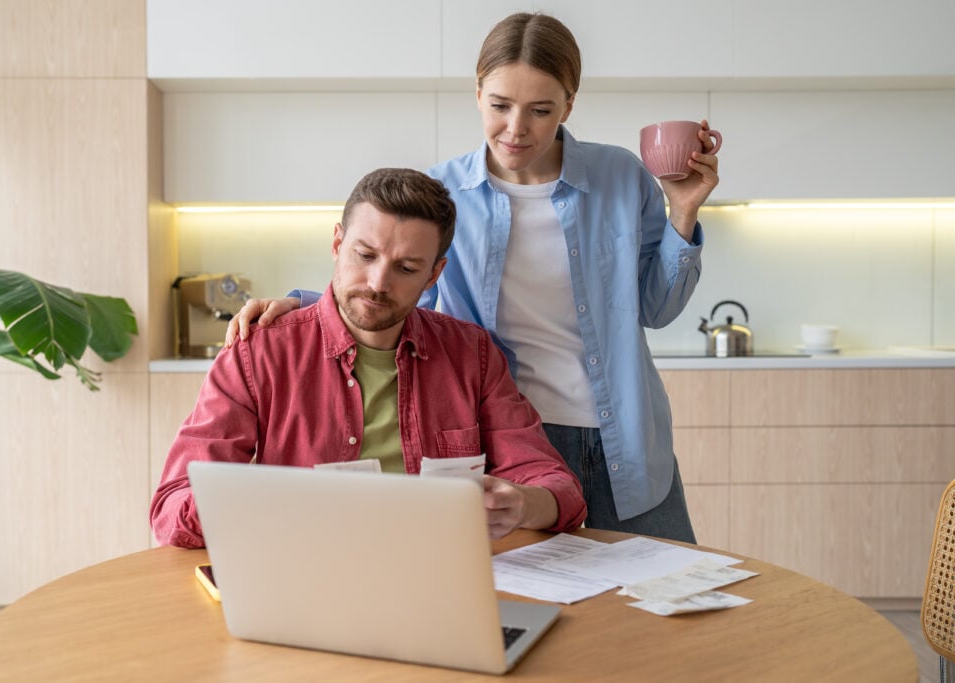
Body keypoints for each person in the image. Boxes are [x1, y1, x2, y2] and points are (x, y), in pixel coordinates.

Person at [226, 13, 719, 543]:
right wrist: (302, 303)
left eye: (541, 110)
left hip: (625, 432)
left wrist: (682, 212)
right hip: (514, 435)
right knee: (548, 604)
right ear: (478, 93)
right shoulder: (444, 191)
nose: (516, 129)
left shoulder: (620, 177)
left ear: (569, 106)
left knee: (665, 597)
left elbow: (657, 308)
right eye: (500, 106)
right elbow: (402, 286)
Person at [151, 167, 586, 549]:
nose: (378, 283)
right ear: (337, 243)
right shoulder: (258, 351)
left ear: (434, 273)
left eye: (407, 268)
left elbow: (558, 488)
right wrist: (266, 498)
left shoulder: (471, 354)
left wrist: (524, 504)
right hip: (301, 571)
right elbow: (171, 508)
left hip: (437, 572)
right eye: (365, 255)